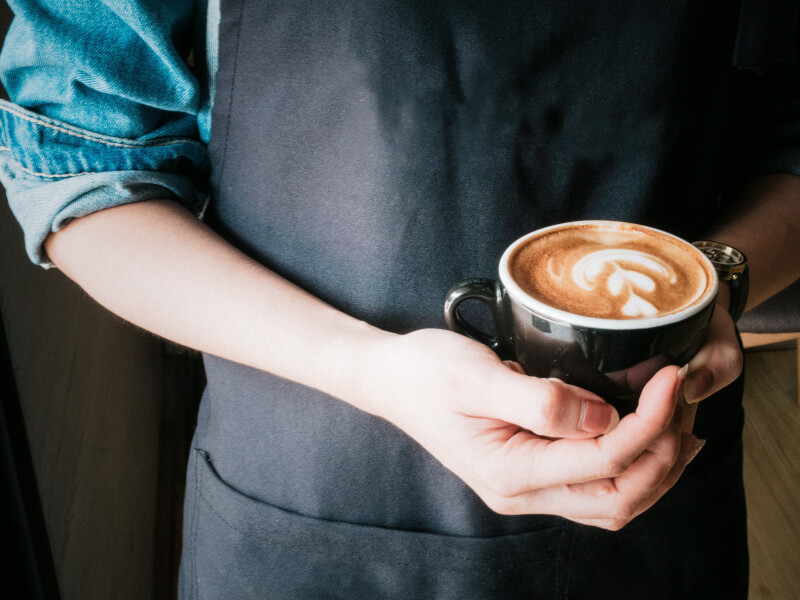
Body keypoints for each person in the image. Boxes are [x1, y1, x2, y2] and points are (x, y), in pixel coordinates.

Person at [1, 1, 799, 597]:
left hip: (654, 510)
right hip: (306, 507)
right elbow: (77, 164)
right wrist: (369, 368)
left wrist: (718, 279)